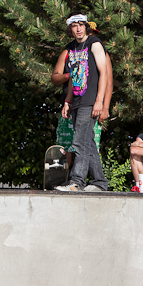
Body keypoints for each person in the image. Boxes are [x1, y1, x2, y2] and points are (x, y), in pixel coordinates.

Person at [55, 13, 110, 192]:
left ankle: (77, 181)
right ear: (70, 29)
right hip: (77, 100)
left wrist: (100, 101)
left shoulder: (94, 44)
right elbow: (73, 76)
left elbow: (104, 73)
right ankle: (100, 182)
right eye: (74, 25)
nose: (78, 29)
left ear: (86, 26)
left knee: (79, 141)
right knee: (88, 142)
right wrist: (68, 102)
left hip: (90, 100)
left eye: (81, 25)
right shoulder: (71, 48)